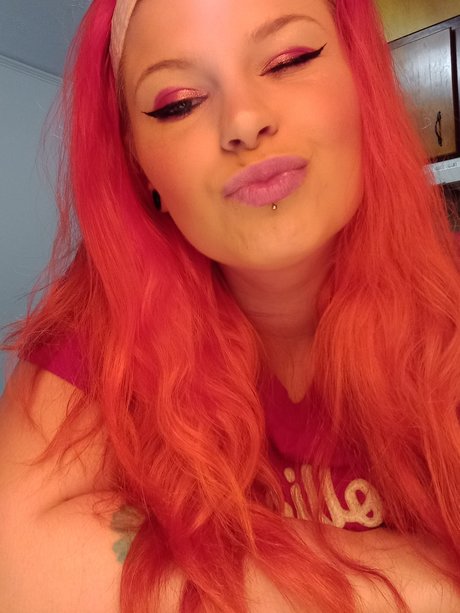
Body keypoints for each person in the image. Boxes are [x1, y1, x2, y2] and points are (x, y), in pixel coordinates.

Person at [1, 0, 459, 611]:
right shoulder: (101, 322)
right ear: (140, 167)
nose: (244, 121)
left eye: (290, 60)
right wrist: (425, 584)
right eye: (179, 103)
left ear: (362, 84)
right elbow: (15, 560)